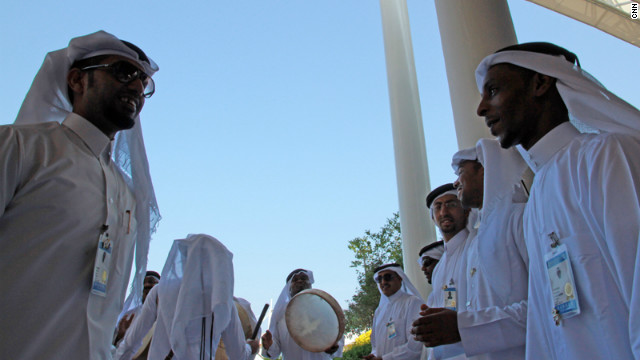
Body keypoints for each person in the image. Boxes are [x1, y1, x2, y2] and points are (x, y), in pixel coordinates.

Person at [0, 30, 160, 360]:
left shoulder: (126, 194)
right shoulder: (20, 148)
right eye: (123, 72)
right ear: (77, 80)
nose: (136, 87)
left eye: (144, 82)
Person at [474, 42, 640, 359]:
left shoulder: (606, 157)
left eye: (493, 90)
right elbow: (545, 323)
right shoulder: (539, 194)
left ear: (540, 83)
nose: (481, 108)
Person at [413, 139, 529, 359]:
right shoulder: (479, 238)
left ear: (485, 171)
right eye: (438, 207)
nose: (456, 183)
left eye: (461, 173)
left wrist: (463, 327)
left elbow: (546, 304)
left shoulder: (520, 218)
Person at [144, 234, 259, 359]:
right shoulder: (222, 301)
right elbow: (238, 354)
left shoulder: (160, 291)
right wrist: (250, 348)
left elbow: (131, 341)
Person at [421, 183, 473, 360]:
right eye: (438, 207)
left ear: (466, 210)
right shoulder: (439, 268)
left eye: (451, 204)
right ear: (434, 218)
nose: (444, 212)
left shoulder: (477, 247)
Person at [261, 269, 344, 360]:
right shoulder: (281, 315)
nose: (300, 281)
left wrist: (333, 347)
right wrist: (269, 345)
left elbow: (337, 342)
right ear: (289, 287)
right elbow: (274, 353)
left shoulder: (324, 309)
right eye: (295, 279)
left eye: (303, 278)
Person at [365, 263, 424, 360]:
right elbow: (375, 344)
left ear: (400, 278)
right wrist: (374, 355)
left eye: (388, 277)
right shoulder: (379, 311)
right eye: (379, 279)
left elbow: (416, 344)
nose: (383, 282)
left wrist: (385, 358)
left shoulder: (413, 303)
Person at [114, 271, 161, 347]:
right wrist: (120, 336)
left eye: (151, 282)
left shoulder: (168, 313)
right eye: (143, 283)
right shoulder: (129, 316)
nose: (146, 285)